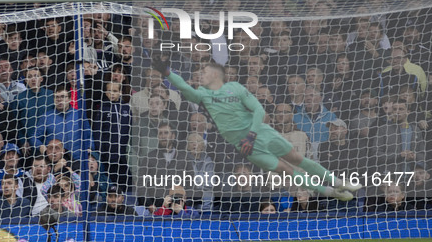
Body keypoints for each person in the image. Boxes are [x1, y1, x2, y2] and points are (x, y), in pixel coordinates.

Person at [152, 59, 360, 201]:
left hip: (261, 133)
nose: (200, 76)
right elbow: (184, 87)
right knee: (287, 171)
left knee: (298, 159)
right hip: (246, 147)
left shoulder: (237, 88)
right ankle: (331, 192)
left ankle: (339, 182)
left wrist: (251, 135)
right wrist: (167, 72)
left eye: (204, 72)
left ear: (216, 74)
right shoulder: (202, 95)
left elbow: (259, 110)